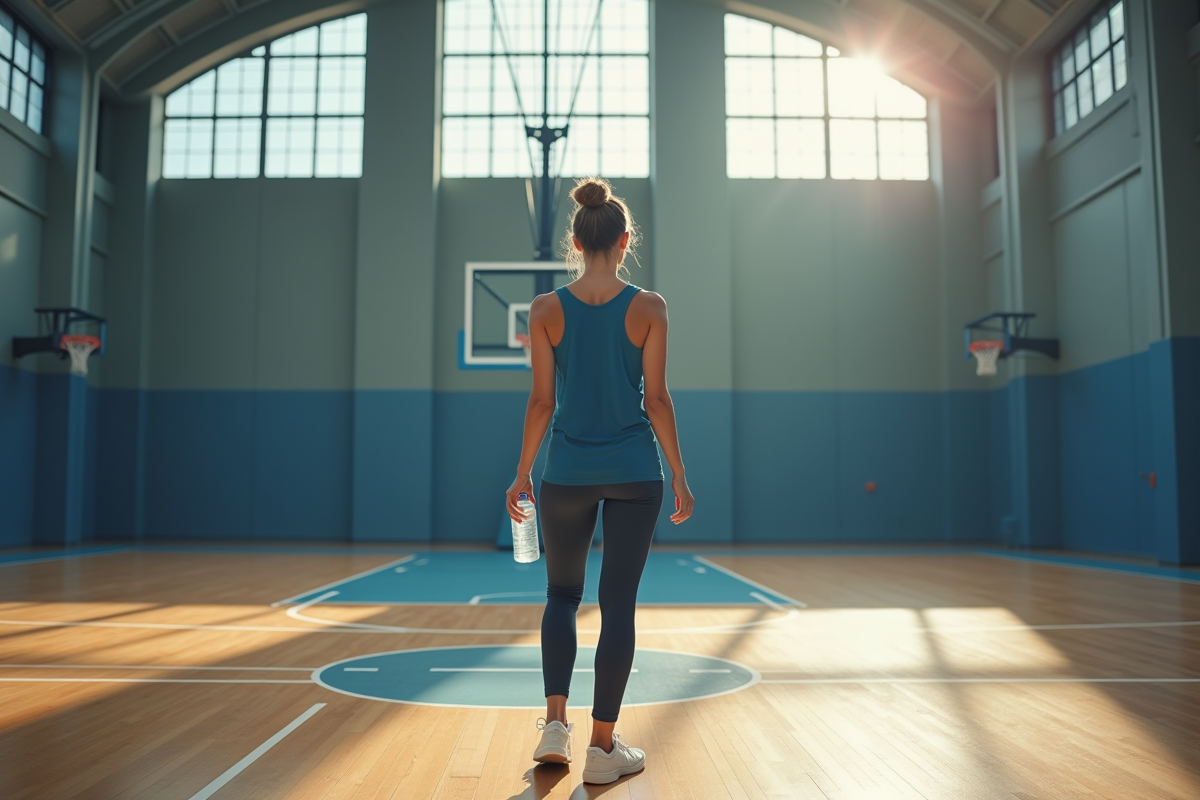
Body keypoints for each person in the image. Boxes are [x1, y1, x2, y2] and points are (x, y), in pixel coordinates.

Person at [505, 176, 694, 785]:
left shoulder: (543, 311)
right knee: (617, 607)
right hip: (636, 473)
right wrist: (680, 476)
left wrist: (520, 475)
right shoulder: (650, 308)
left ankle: (555, 726)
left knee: (562, 596)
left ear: (577, 241)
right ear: (624, 238)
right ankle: (603, 748)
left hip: (564, 472)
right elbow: (658, 399)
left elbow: (540, 403)